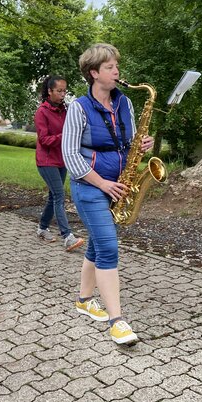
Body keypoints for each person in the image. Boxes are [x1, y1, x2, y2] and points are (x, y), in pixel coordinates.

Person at [62, 43, 154, 346]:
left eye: (117, 66)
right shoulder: (78, 107)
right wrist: (102, 183)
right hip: (90, 187)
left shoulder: (124, 102)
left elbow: (127, 142)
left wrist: (140, 146)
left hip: (119, 185)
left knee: (98, 245)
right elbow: (70, 156)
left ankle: (84, 299)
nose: (117, 71)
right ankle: (117, 321)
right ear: (94, 73)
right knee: (109, 248)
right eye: (110, 67)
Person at [34, 76, 84, 252]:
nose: (63, 94)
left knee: (53, 196)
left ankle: (42, 227)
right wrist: (66, 136)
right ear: (49, 91)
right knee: (59, 195)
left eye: (65, 91)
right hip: (46, 161)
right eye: (59, 91)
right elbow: (45, 140)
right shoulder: (41, 112)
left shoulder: (66, 110)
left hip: (62, 159)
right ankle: (67, 236)